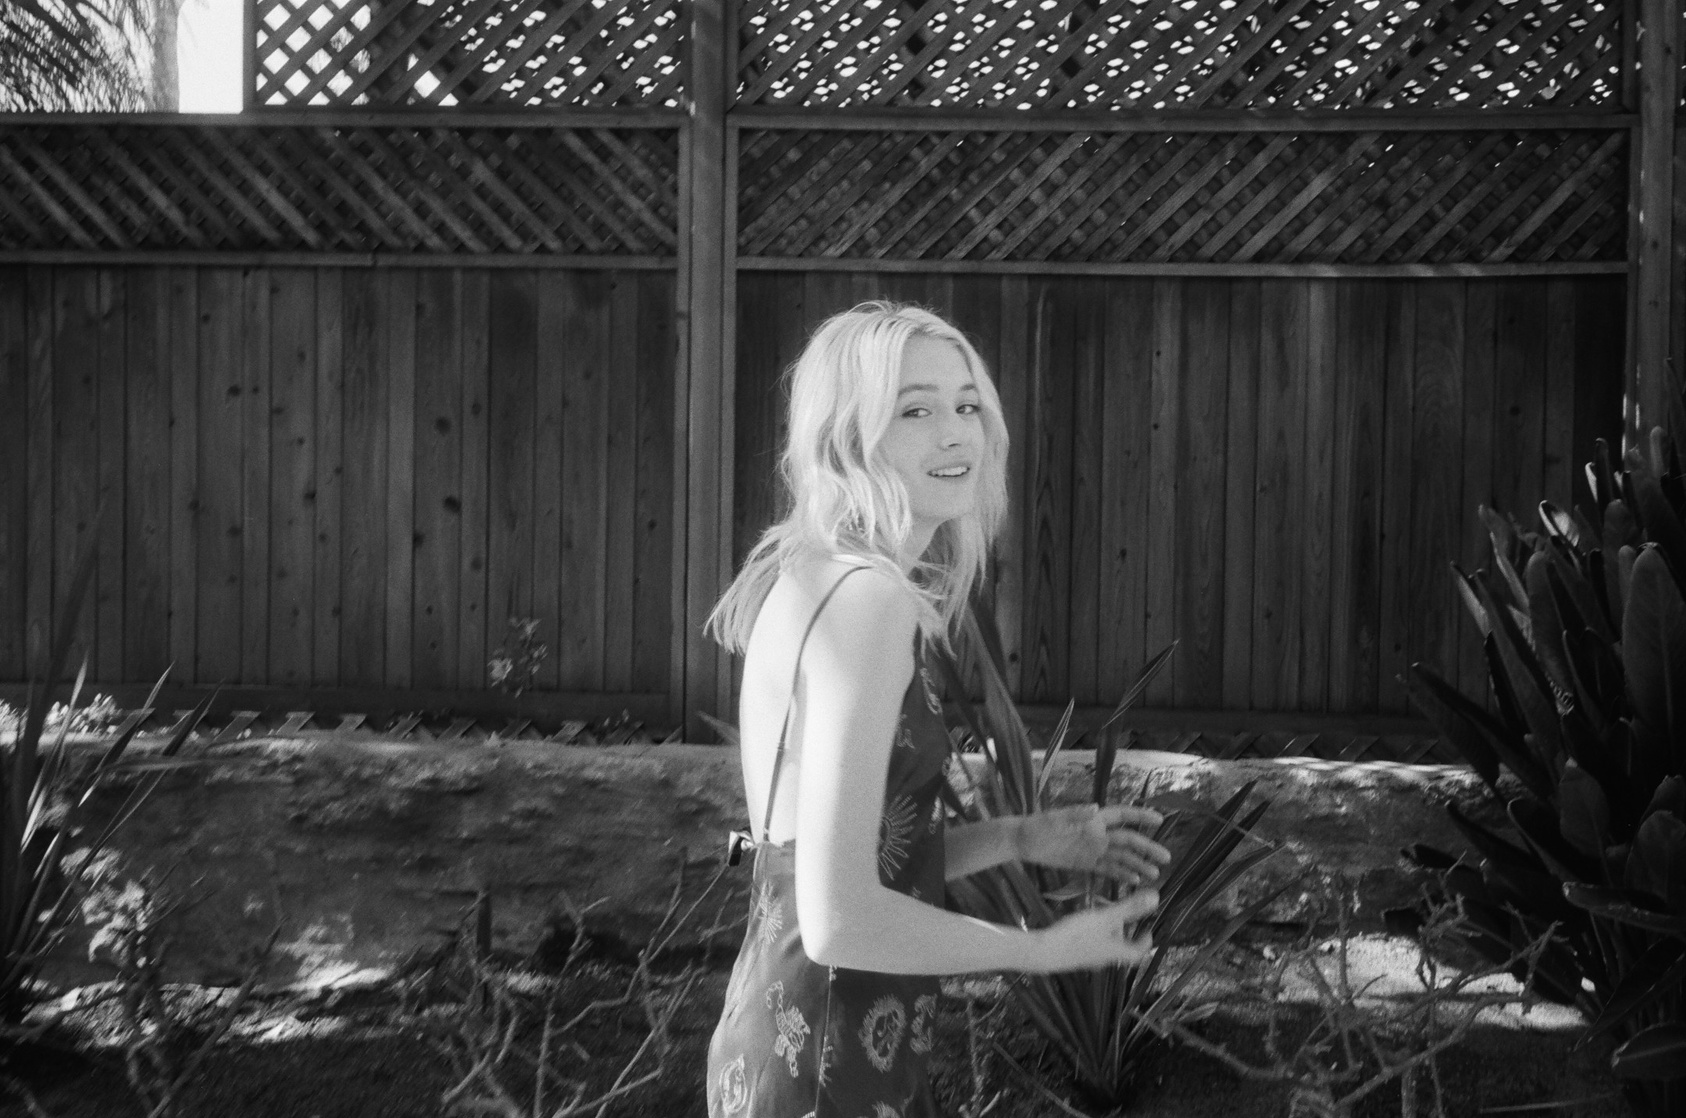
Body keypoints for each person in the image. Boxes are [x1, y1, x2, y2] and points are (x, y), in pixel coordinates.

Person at [704, 302, 1170, 1117]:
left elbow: (838, 862)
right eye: (915, 411)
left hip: (800, 1035)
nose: (955, 434)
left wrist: (1018, 839)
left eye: (967, 405)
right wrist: (1043, 950)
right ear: (849, 437)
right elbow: (837, 919)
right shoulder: (867, 603)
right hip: (828, 1059)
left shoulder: (822, 577)